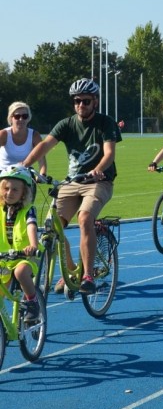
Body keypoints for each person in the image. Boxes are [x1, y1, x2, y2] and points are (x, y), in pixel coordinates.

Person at [23, 78, 122, 295]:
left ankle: (87, 275)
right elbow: (44, 146)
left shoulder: (105, 123)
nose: (81, 105)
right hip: (72, 181)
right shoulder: (66, 124)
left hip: (98, 181)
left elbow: (109, 154)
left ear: (95, 101)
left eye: (86, 101)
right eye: (77, 101)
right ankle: (69, 272)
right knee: (52, 226)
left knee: (85, 218)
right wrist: (23, 166)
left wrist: (98, 169)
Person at [0, 168, 41, 323]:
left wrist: (33, 245)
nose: (9, 193)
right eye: (6, 188)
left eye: (15, 189)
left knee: (21, 272)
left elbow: (31, 226)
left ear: (24, 193)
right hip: (4, 257)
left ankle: (32, 302)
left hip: (26, 256)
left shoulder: (28, 210)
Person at [0, 102, 47, 175]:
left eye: (25, 116)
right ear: (11, 118)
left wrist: (43, 174)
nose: (21, 119)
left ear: (28, 118)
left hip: (25, 175)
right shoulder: (3, 134)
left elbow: (41, 159)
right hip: (4, 174)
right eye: (17, 116)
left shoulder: (35, 135)